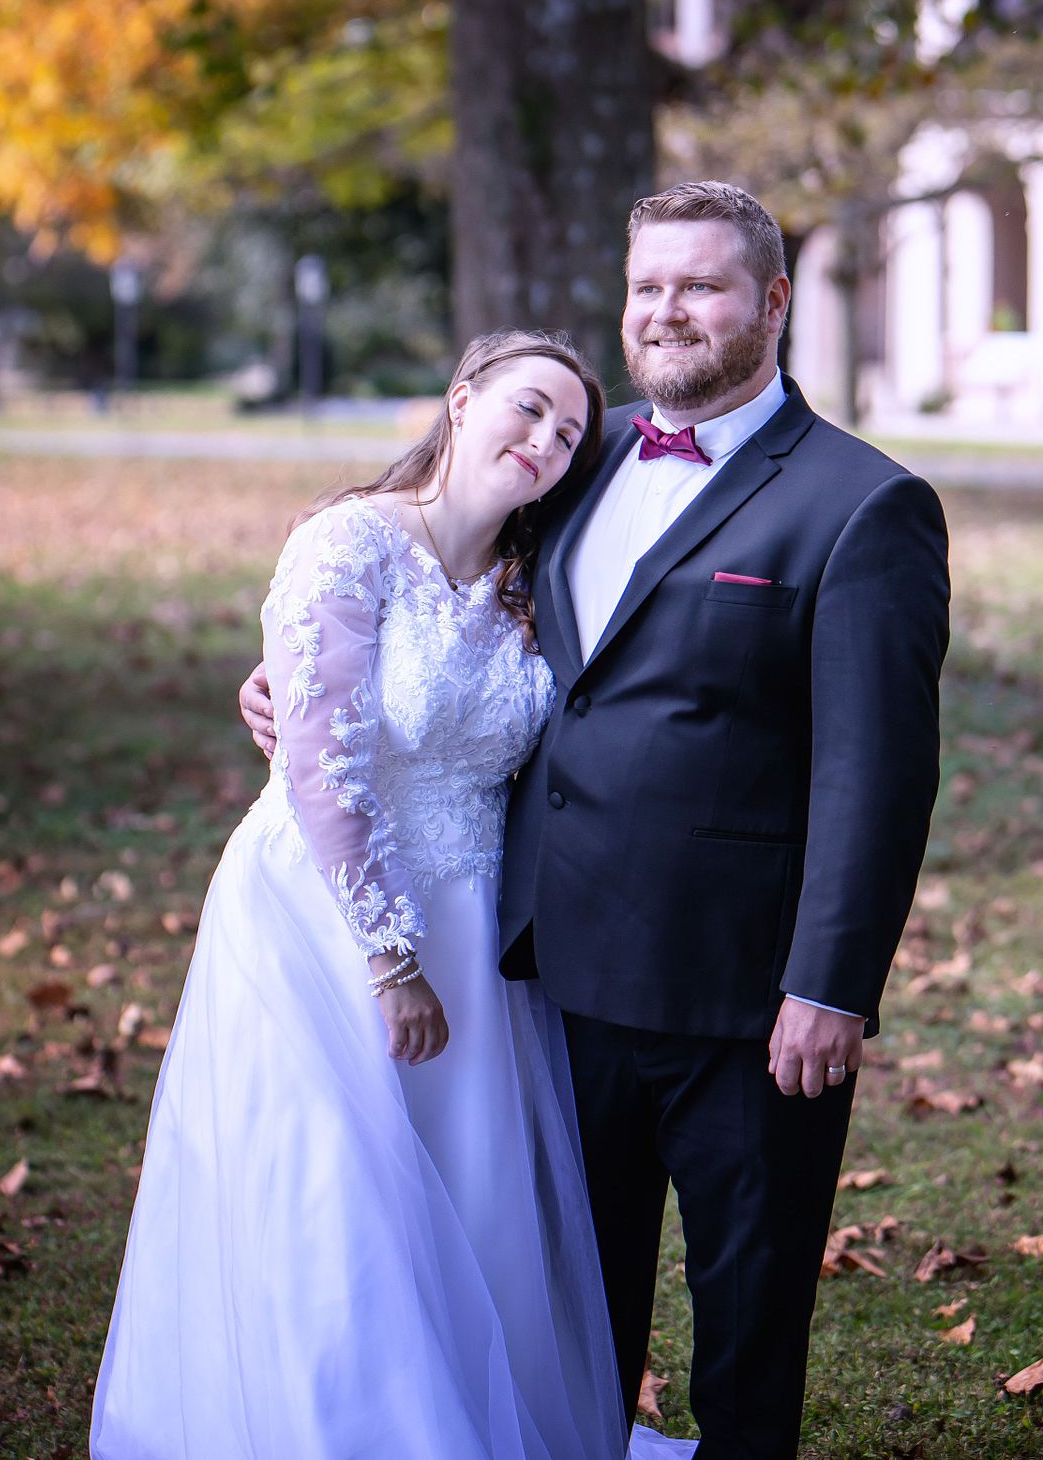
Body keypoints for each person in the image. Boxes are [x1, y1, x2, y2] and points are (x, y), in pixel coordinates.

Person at [244, 183, 951, 1458]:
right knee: (571, 1307)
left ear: (773, 303)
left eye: (703, 285)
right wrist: (294, 690)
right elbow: (441, 603)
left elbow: (879, 770)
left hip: (749, 995)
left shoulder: (864, 503)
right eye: (648, 287)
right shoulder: (576, 453)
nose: (668, 310)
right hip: (548, 975)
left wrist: (832, 985)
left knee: (747, 1316)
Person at [91, 329, 693, 1459]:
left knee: (473, 1191)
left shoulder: (536, 580)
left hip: (476, 924)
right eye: (526, 408)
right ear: (461, 402)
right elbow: (323, 764)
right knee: (335, 1194)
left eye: (569, 433)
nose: (546, 441)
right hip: (329, 920)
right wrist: (389, 959)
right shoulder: (346, 543)